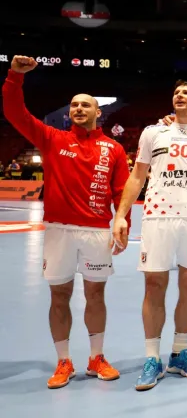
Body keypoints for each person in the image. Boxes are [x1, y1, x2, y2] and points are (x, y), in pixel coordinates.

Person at [2, 55, 130, 389]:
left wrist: (123, 221)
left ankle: (96, 357)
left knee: (96, 296)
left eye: (85, 105)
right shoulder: (52, 139)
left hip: (97, 232)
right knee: (59, 297)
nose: (78, 109)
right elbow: (15, 113)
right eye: (73, 105)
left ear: (97, 111)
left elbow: (121, 191)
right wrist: (15, 77)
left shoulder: (113, 149)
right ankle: (63, 361)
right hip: (59, 231)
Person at [114, 81, 187, 391]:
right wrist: (121, 214)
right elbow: (137, 176)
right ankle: (153, 357)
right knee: (154, 283)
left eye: (186, 92)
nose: (179, 95)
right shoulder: (154, 133)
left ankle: (180, 351)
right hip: (157, 217)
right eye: (175, 92)